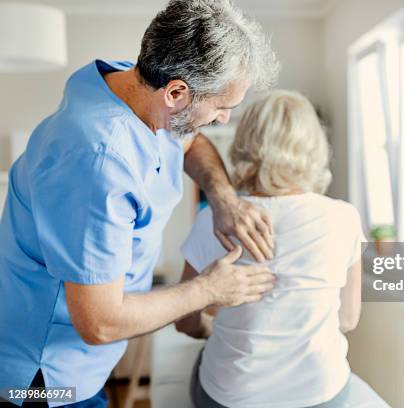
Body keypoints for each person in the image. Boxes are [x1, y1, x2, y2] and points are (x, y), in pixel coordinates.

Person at [0, 1, 279, 406]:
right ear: (177, 93)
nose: (222, 120)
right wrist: (208, 288)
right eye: (221, 107)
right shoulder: (98, 163)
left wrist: (223, 197)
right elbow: (100, 321)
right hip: (41, 381)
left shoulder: (133, 82)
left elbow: (191, 141)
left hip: (84, 365)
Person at [176, 90, 366, 407]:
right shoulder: (344, 216)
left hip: (232, 396)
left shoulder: (214, 218)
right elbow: (347, 319)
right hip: (321, 393)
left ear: (244, 145)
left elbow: (185, 321)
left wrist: (211, 328)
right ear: (314, 148)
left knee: (202, 368)